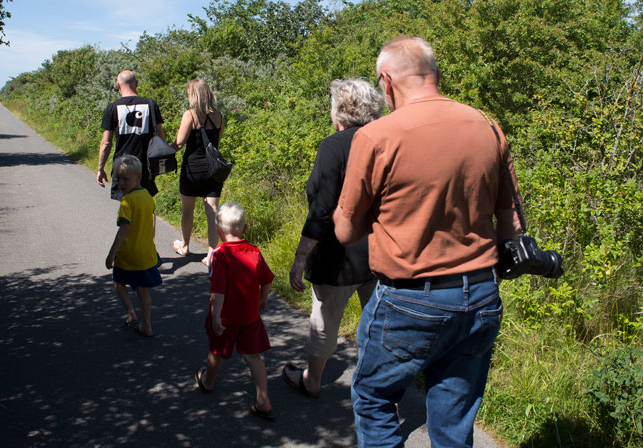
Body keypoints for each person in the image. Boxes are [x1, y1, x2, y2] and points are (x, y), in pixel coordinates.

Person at [333, 36, 523, 448]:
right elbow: (511, 225)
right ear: (435, 75)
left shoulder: (377, 136)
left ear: (386, 82)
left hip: (409, 299)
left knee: (373, 397)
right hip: (481, 295)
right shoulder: (487, 126)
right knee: (454, 423)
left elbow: (345, 232)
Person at [282, 79, 383, 399]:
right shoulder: (386, 141)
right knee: (379, 324)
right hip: (381, 252)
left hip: (338, 256)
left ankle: (312, 381)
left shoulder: (333, 145)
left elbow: (322, 209)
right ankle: (381, 389)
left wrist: (300, 257)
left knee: (325, 319)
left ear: (338, 109)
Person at [195, 202, 275, 421]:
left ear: (219, 232)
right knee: (253, 356)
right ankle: (263, 400)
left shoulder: (219, 255)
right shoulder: (255, 252)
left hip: (227, 317)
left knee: (217, 350)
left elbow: (218, 290)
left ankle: (208, 382)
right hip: (250, 315)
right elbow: (266, 279)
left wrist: (216, 316)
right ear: (245, 229)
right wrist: (263, 299)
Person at [104, 154, 162, 338]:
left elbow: (123, 230)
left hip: (128, 255)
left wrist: (111, 254)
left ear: (138, 177)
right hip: (146, 254)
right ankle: (148, 326)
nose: (121, 183)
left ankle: (131, 313)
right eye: (118, 178)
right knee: (143, 291)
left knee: (119, 284)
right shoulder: (147, 196)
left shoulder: (127, 202)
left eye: (125, 179)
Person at [170, 79, 225, 265]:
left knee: (187, 210)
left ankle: (184, 246)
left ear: (193, 94)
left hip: (192, 169)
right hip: (212, 170)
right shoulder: (218, 116)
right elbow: (216, 142)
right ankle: (211, 253)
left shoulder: (190, 115)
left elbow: (179, 144)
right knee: (212, 211)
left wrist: (163, 151)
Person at [97, 70, 167, 201]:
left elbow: (106, 143)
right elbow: (161, 138)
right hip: (146, 166)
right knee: (147, 205)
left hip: (122, 166)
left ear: (118, 85)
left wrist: (100, 168)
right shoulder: (151, 104)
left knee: (126, 206)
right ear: (137, 84)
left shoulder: (112, 108)